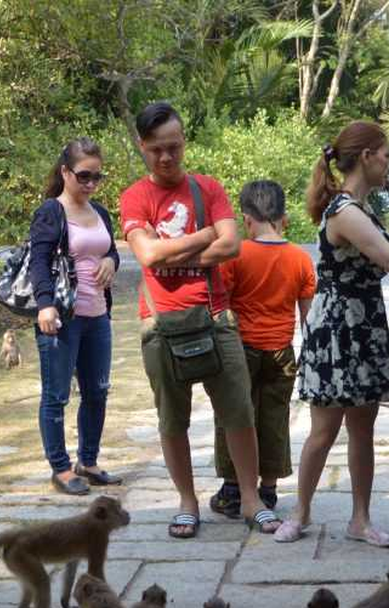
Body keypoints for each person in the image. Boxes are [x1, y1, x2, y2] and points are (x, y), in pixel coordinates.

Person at [120, 102, 280, 538]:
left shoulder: (208, 189)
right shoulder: (134, 196)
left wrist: (178, 249)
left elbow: (230, 246)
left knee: (239, 411)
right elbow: (148, 256)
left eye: (173, 147)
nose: (166, 157)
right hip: (160, 321)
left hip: (216, 316)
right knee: (173, 419)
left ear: (184, 141)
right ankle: (187, 502)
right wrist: (205, 234)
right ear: (142, 147)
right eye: (155, 150)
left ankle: (251, 498)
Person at [273, 122, 389, 545]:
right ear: (367, 156)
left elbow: (384, 259)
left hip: (364, 323)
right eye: (386, 155)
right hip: (340, 328)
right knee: (325, 428)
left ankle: (360, 519)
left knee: (363, 427)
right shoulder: (345, 211)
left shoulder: (362, 209)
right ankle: (300, 512)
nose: (388, 162)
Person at [209, 180, 316, 517]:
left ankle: (232, 490)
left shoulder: (235, 254)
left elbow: (220, 306)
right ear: (283, 217)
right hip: (282, 351)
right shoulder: (300, 258)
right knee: (274, 417)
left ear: (246, 219)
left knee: (234, 416)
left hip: (241, 349)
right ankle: (267, 490)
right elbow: (308, 319)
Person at [30, 137, 121, 496]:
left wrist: (112, 261)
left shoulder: (100, 211)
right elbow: (38, 260)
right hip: (63, 318)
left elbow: (111, 249)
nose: (91, 184)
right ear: (65, 172)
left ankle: (89, 461)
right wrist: (44, 304)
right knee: (57, 395)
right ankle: (61, 468)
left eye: (98, 177)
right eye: (84, 176)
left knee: (97, 392)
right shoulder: (51, 212)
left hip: (98, 315)